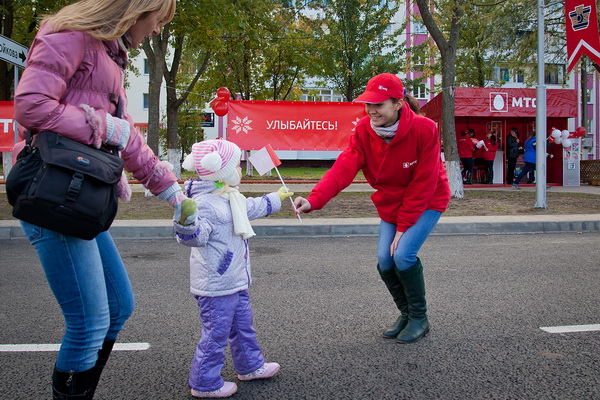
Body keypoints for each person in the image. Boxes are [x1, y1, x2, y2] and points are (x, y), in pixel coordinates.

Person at [12, 1, 185, 398]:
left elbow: (124, 136)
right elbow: (31, 106)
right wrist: (100, 126)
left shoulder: (110, 52)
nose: (157, 31)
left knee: (118, 307)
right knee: (89, 320)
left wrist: (172, 191)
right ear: (135, 10)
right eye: (157, 20)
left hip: (80, 195)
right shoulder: (70, 33)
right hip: (53, 195)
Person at [293, 73, 450, 344]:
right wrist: (314, 199)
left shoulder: (424, 129)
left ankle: (420, 318)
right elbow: (345, 166)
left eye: (378, 104)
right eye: (368, 104)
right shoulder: (364, 129)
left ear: (398, 103)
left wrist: (403, 228)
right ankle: (406, 313)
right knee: (384, 260)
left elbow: (424, 182)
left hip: (427, 199)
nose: (371, 110)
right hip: (391, 201)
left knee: (402, 256)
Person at [174, 139, 291, 398]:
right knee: (216, 333)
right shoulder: (205, 202)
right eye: (236, 164)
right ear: (221, 170)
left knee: (242, 326)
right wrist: (186, 222)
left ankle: (250, 366)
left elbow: (251, 207)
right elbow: (196, 237)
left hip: (234, 279)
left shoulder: (227, 196)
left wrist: (276, 198)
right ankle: (204, 382)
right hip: (216, 284)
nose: (239, 169)